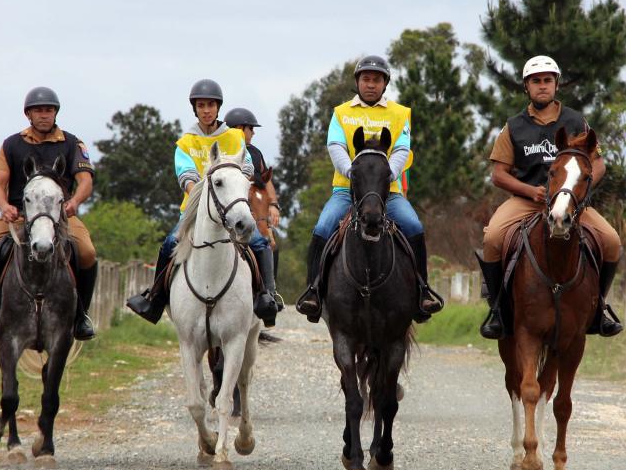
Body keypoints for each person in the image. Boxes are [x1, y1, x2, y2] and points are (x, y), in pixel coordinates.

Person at [479, 55, 624, 340]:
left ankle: (599, 308)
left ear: (556, 85)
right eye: (536, 81)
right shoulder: (514, 127)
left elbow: (599, 164)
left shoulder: (575, 121)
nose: (542, 86)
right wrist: (529, 190)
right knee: (492, 238)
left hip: (570, 203)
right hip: (527, 200)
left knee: (612, 241)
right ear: (526, 87)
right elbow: (499, 174)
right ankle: (497, 310)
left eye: (547, 80)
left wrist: (577, 192)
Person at [295, 55, 442, 323]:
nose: (371, 84)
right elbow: (335, 146)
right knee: (323, 226)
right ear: (357, 82)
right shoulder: (342, 113)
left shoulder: (400, 113)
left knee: (413, 226)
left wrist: (387, 176)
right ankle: (313, 291)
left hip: (388, 192)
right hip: (346, 190)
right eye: (366, 79)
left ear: (385, 84)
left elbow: (401, 149)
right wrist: (353, 174)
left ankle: (423, 291)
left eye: (376, 79)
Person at [126, 80, 279, 326]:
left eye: (210, 105)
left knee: (260, 242)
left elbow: (247, 167)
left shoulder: (234, 137)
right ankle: (154, 299)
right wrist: (202, 196)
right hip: (196, 210)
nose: (206, 110)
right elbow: (186, 177)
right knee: (169, 243)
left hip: (230, 207)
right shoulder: (186, 142)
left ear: (218, 108)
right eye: (201, 106)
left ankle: (267, 296)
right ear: (194, 109)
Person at [0, 86, 98, 340]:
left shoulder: (72, 143)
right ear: (28, 114)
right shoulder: (11, 144)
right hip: (18, 216)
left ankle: (81, 315)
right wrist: (4, 206)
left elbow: (85, 180)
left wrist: (74, 201)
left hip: (60, 216)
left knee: (87, 252)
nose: (44, 115)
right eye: (39, 110)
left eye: (49, 110)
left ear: (56, 113)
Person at [224, 107, 283, 310]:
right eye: (251, 128)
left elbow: (266, 181)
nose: (254, 133)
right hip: (229, 208)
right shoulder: (223, 148)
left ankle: (269, 293)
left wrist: (273, 204)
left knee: (269, 243)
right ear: (240, 129)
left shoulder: (255, 153)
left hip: (254, 208)